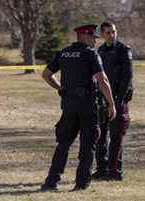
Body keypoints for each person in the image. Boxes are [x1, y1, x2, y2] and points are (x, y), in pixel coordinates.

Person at [41, 24, 116, 191]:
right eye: (93, 37)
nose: (96, 41)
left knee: (63, 145)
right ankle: (81, 184)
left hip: (68, 105)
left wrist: (60, 88)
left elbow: (46, 74)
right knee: (88, 145)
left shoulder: (64, 53)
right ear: (84, 36)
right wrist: (111, 103)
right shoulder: (90, 54)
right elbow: (102, 80)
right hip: (88, 106)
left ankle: (51, 182)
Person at [92, 21, 133, 181]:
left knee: (116, 136)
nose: (111, 35)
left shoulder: (124, 50)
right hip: (102, 99)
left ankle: (115, 171)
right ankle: (102, 169)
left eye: (113, 32)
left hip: (118, 99)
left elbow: (127, 77)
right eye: (108, 32)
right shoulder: (100, 51)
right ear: (102, 34)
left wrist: (117, 101)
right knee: (100, 136)